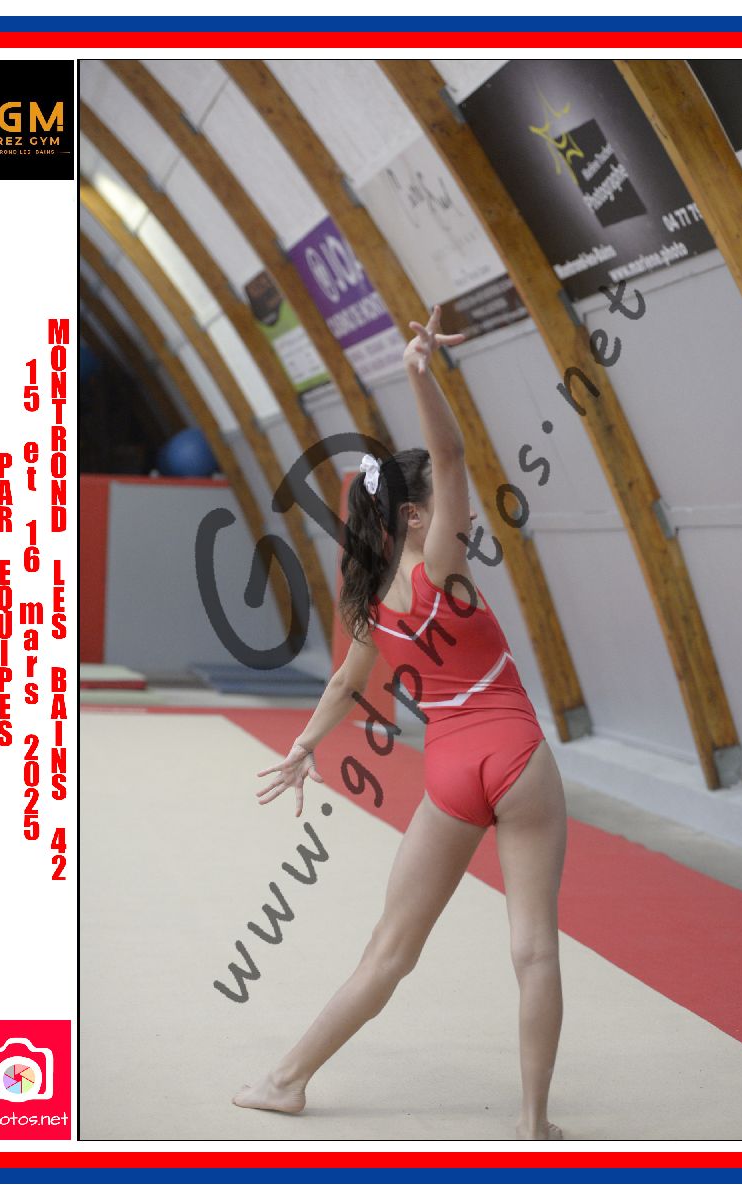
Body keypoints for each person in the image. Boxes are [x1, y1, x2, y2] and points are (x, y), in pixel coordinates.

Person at [234, 306, 568, 1140]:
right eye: (441, 503)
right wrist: (419, 372)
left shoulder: (372, 602)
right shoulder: (443, 567)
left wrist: (304, 746)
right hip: (516, 755)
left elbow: (348, 684)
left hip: (451, 771)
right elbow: (450, 456)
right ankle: (534, 1124)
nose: (461, 510)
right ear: (417, 516)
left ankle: (285, 1079)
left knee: (390, 950)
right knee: (533, 948)